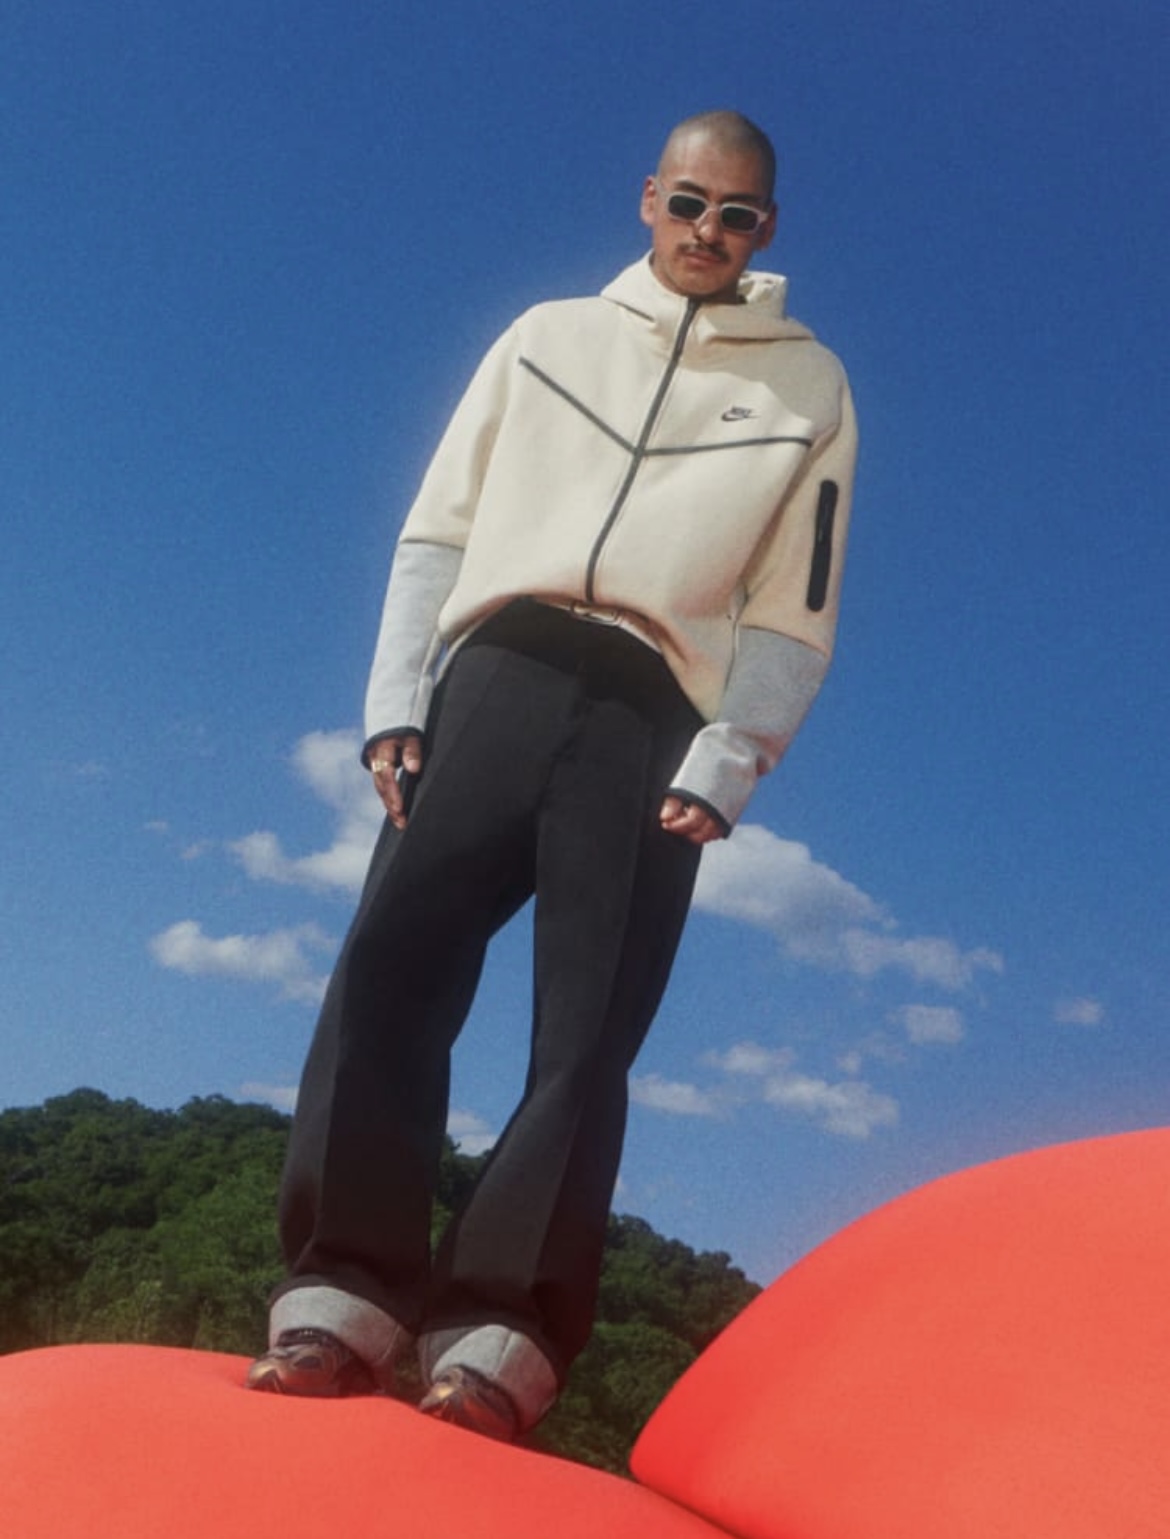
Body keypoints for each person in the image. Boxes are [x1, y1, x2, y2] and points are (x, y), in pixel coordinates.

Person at [247, 110, 858, 1441]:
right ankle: (343, 1296)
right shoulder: (545, 336)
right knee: (390, 963)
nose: (706, 231)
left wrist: (732, 755)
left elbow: (792, 606)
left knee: (586, 1032)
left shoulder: (810, 386)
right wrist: (396, 699)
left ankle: (498, 1336)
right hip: (497, 669)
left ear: (766, 228)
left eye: (736, 213)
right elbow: (438, 527)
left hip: (655, 710)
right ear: (648, 198)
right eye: (687, 202)